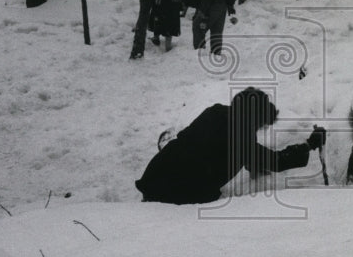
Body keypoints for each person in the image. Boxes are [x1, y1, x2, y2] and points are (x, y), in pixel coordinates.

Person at [135, 87, 327, 205]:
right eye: (262, 125)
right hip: (175, 193)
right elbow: (275, 161)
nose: (261, 129)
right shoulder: (240, 136)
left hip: (156, 172)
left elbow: (213, 146)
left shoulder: (215, 112)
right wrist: (309, 144)